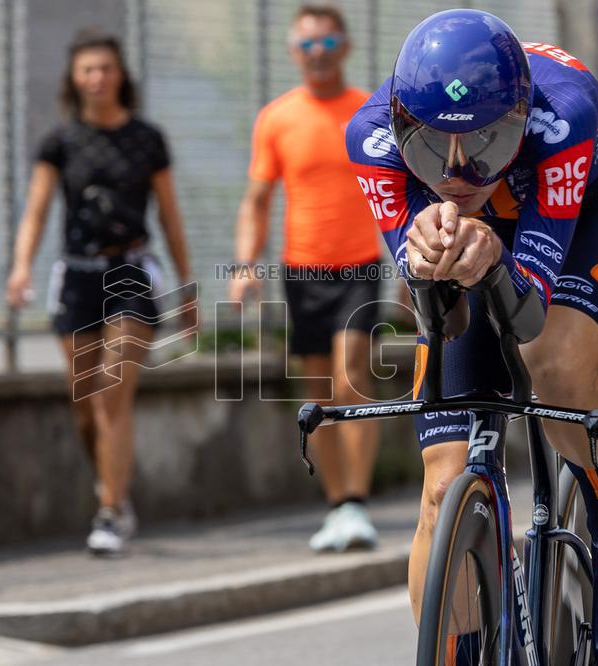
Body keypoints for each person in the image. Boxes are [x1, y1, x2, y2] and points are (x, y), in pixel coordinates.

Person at [347, 9, 598, 664]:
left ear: (519, 119)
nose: (458, 169)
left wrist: (493, 259)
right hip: (479, 240)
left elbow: (528, 315)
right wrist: (424, 261)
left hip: (590, 213)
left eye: (485, 143)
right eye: (431, 147)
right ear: (402, 124)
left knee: (553, 365)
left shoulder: (562, 115)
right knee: (441, 486)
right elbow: (443, 314)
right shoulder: (371, 137)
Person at [6, 29, 194, 556]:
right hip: (78, 275)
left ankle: (110, 511)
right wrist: (21, 267)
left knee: (113, 395)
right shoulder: (59, 142)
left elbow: (171, 217)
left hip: (131, 271)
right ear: (74, 78)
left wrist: (186, 288)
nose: (97, 78)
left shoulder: (146, 139)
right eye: (87, 69)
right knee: (87, 406)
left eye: (106, 68)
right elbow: (38, 210)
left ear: (120, 76)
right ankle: (111, 487)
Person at [230, 5, 383, 553]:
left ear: (345, 47)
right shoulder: (277, 118)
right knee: (318, 393)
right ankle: (338, 505)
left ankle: (359, 504)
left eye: (326, 45)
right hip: (302, 270)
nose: (317, 56)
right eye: (306, 46)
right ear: (294, 52)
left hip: (360, 265)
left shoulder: (369, 111)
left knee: (352, 379)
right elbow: (256, 199)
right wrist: (247, 262)